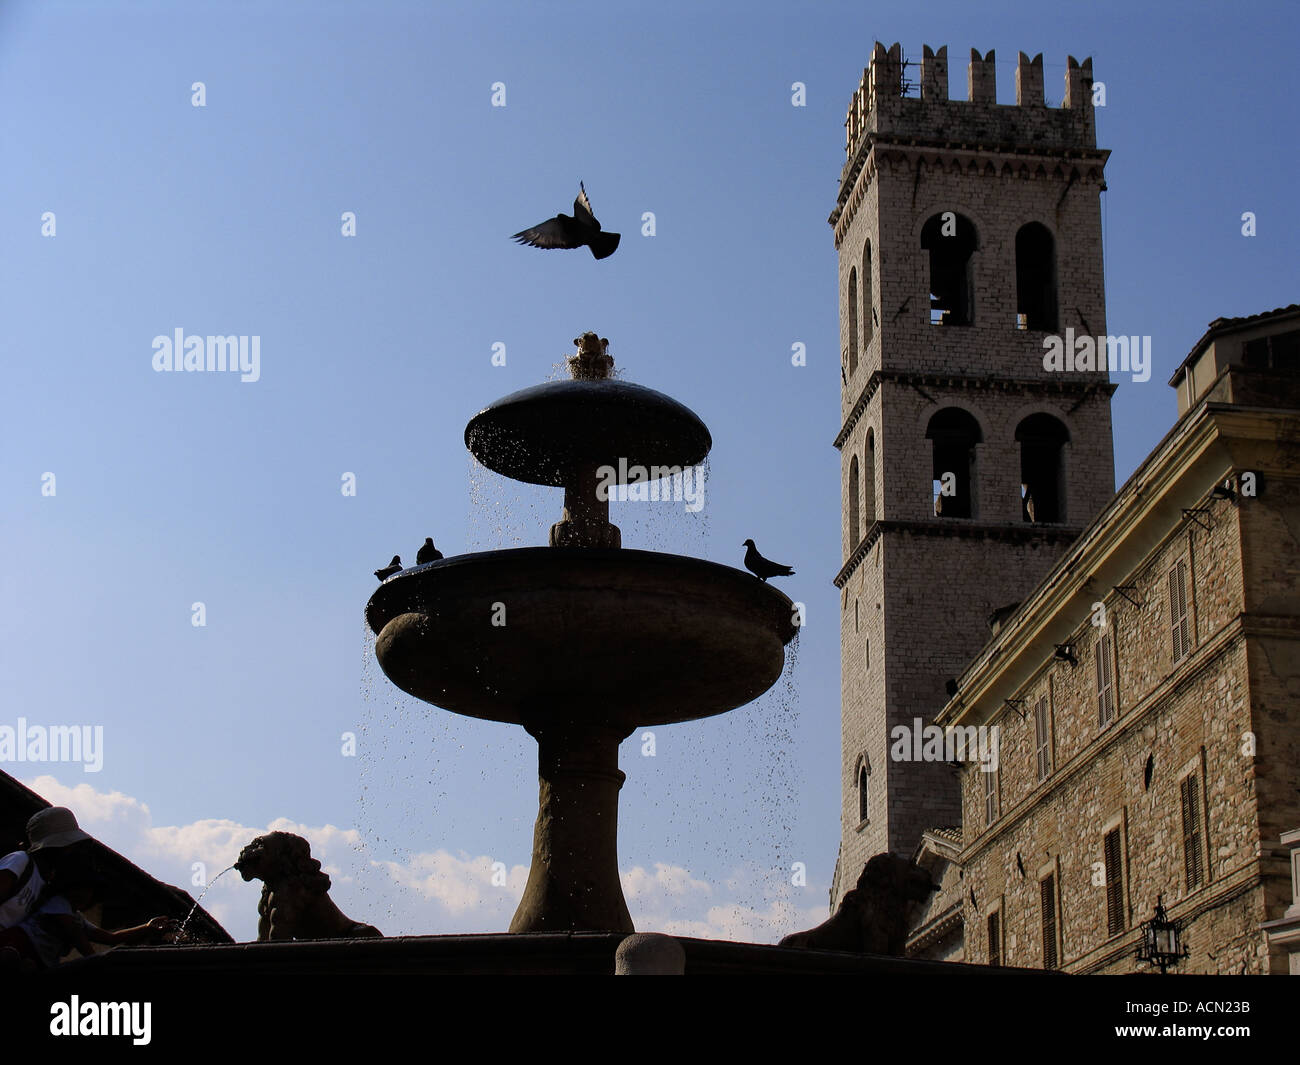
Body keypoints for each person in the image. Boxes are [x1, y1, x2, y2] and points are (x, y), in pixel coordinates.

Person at [0, 863, 171, 971]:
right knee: (10, 957)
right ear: (69, 889)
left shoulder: (77, 918)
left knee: (29, 967)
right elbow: (73, 932)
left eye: (88, 891)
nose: (83, 895)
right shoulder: (58, 903)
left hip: (40, 960)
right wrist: (96, 960)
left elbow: (110, 938)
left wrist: (147, 927)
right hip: (20, 942)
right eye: (79, 889)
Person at [0, 807, 92, 930]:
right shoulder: (19, 860)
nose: (70, 851)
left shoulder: (43, 884)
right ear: (53, 846)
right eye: (67, 846)